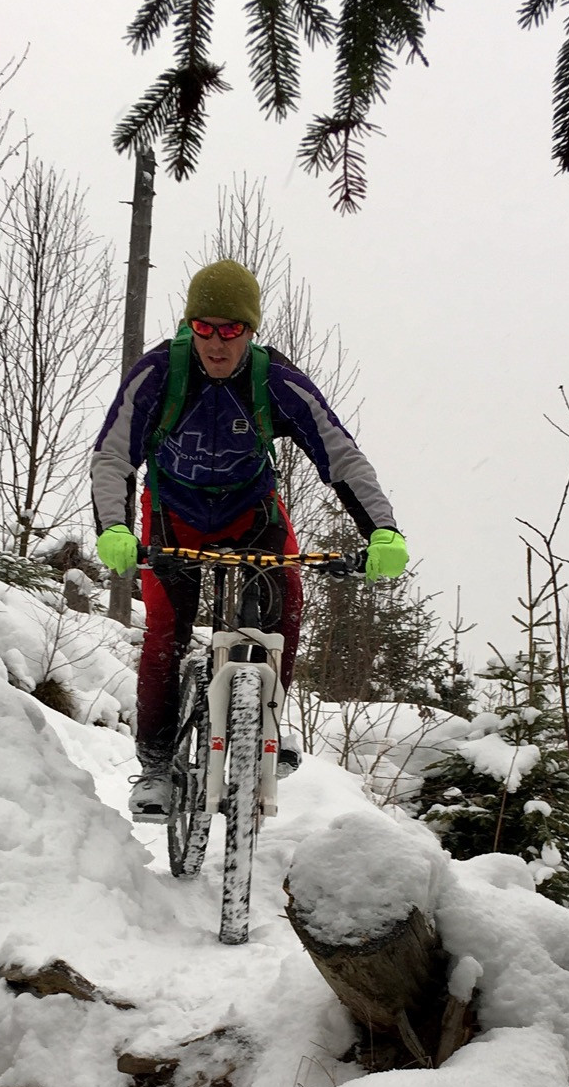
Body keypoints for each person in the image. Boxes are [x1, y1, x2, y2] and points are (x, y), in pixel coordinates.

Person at [90, 258, 407, 818]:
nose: (216, 342)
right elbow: (114, 455)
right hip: (173, 514)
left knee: (287, 596)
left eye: (231, 329)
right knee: (165, 629)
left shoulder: (275, 381)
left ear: (250, 331)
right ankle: (157, 767)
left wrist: (382, 531)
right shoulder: (158, 374)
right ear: (189, 326)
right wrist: (113, 527)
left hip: (250, 513)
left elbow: (341, 456)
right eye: (204, 327)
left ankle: (266, 720)